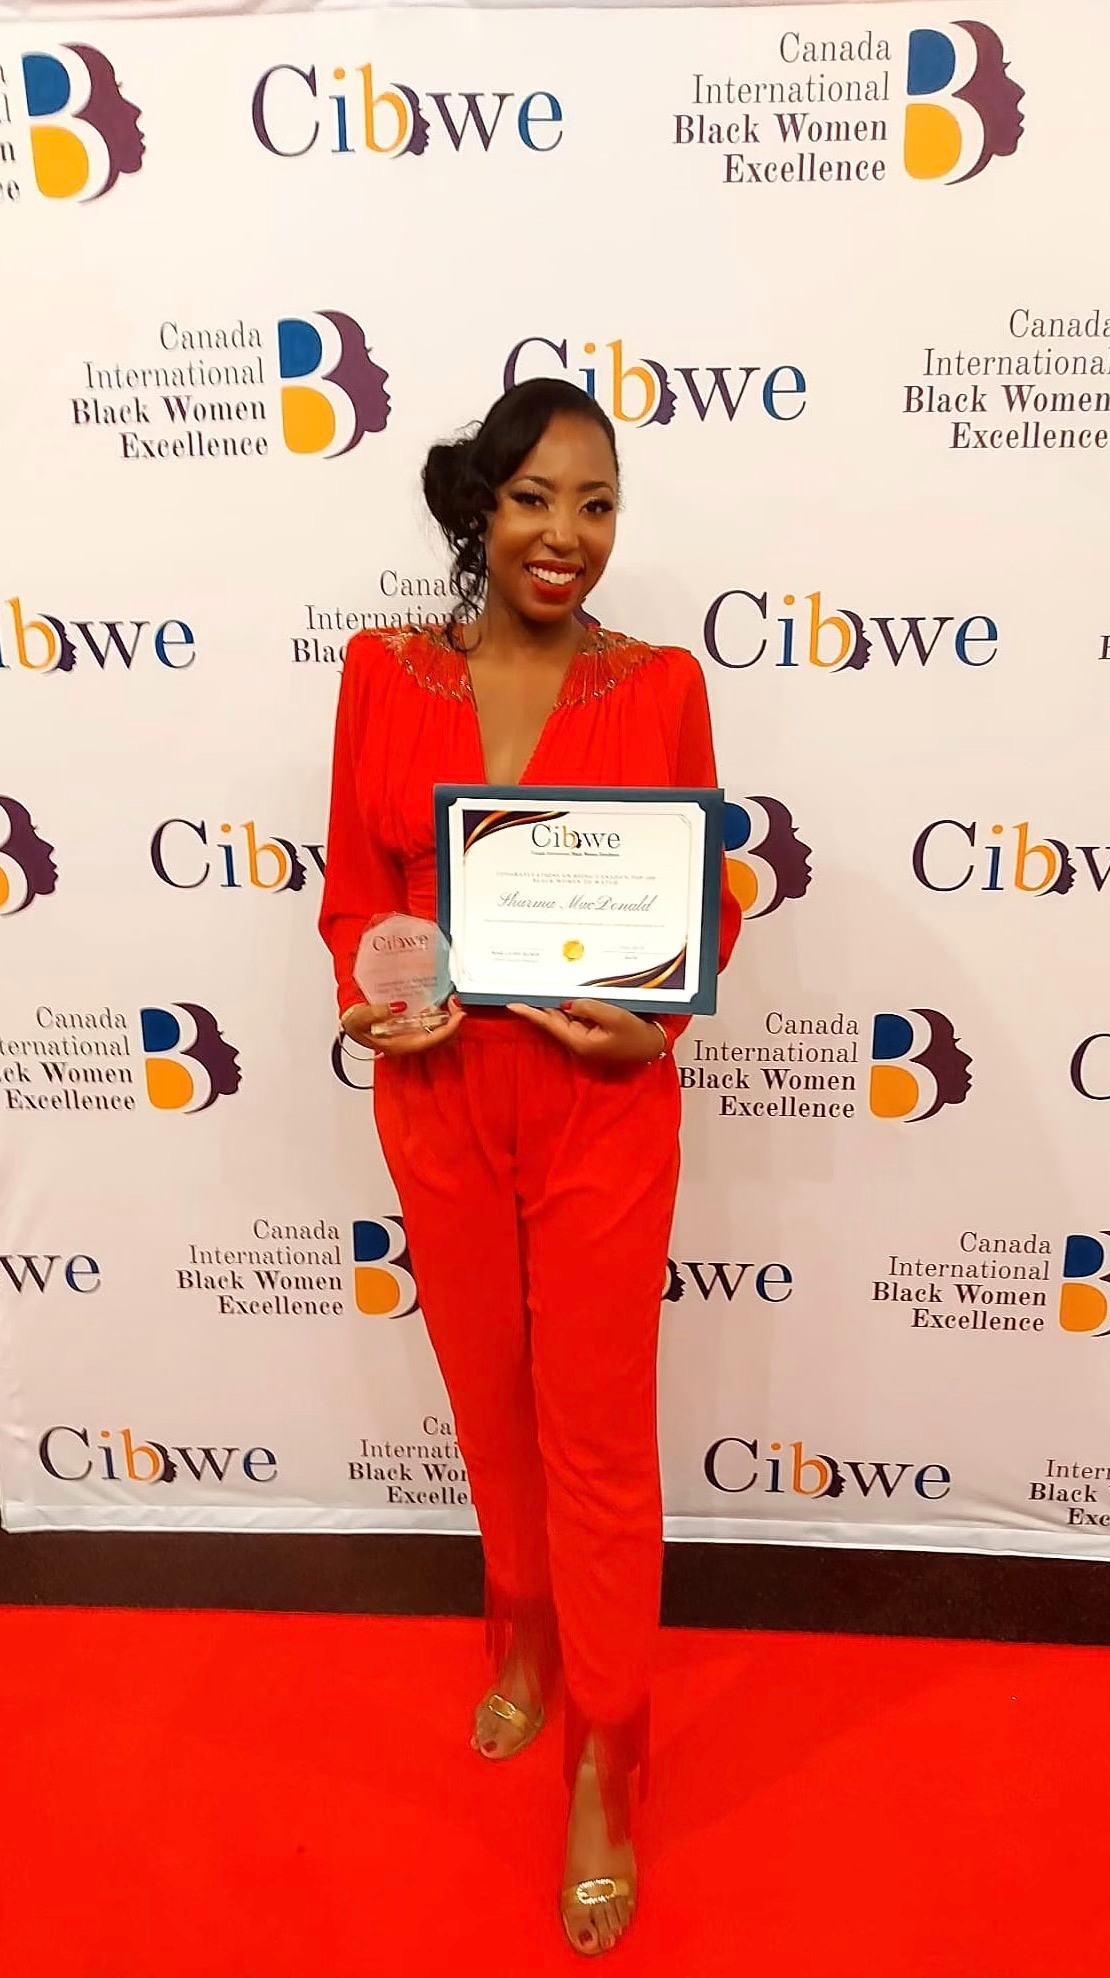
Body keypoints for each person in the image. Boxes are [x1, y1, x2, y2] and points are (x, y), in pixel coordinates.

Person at [319, 378, 740, 1955]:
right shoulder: (381, 672)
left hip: (597, 1100)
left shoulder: (660, 683)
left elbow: (702, 891)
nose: (567, 534)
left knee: (598, 1436)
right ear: (479, 510)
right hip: (438, 1092)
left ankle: (606, 1752)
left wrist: (658, 1015)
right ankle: (523, 1623)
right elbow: (353, 889)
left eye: (597, 503)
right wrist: (367, 998)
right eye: (534, 499)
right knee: (489, 1399)